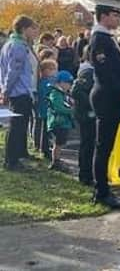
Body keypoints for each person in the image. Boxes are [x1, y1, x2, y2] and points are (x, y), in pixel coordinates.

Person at [89, 0, 120, 208]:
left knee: (106, 146)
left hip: (112, 95)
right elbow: (106, 73)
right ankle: (101, 192)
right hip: (106, 97)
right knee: (103, 147)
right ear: (104, 16)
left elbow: (118, 70)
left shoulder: (108, 38)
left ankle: (103, 188)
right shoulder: (99, 38)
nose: (118, 18)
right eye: (115, 15)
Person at [0, 15, 39, 170]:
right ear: (24, 29)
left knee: (22, 124)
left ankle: (21, 152)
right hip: (19, 91)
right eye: (32, 28)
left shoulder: (16, 43)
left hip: (22, 90)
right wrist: (6, 91)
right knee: (16, 126)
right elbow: (13, 71)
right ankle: (11, 160)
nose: (35, 32)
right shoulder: (17, 45)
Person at [71, 46, 96, 185]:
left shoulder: (92, 71)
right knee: (87, 144)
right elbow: (76, 91)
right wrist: (92, 103)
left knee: (89, 143)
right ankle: (85, 175)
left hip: (89, 112)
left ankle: (87, 173)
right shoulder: (87, 71)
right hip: (85, 113)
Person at [46, 70, 75, 170]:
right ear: (60, 82)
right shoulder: (55, 93)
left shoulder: (63, 93)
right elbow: (58, 108)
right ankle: (55, 162)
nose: (70, 86)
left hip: (63, 123)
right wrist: (71, 111)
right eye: (68, 83)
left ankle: (57, 159)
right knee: (58, 144)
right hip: (58, 123)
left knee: (60, 143)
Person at [35, 59, 58, 159]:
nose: (53, 71)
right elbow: (45, 95)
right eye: (51, 69)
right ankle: (43, 148)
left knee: (47, 130)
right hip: (45, 109)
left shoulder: (50, 81)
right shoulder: (44, 82)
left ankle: (45, 147)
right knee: (45, 130)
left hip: (48, 109)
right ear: (44, 70)